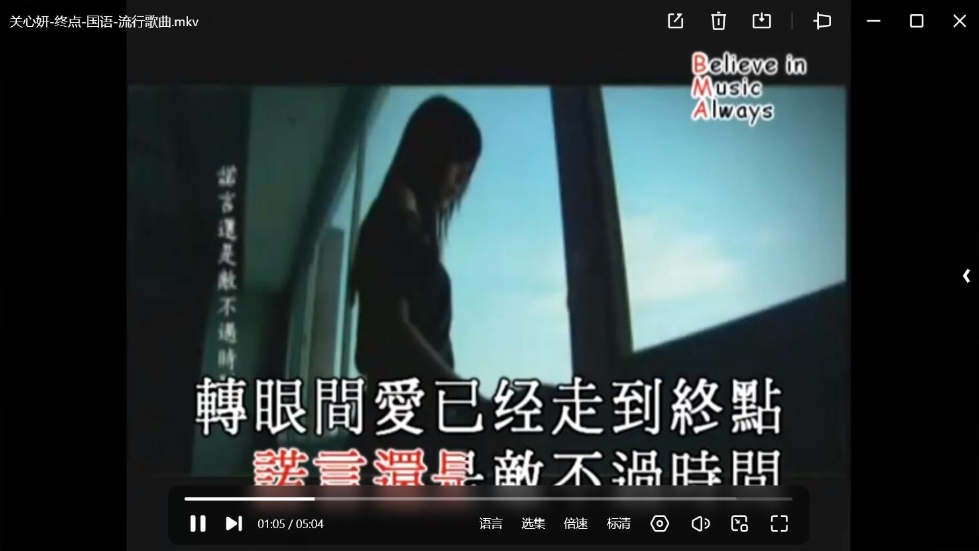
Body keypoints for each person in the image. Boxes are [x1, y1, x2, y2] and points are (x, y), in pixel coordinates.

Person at [348, 95, 491, 481]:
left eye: (468, 172)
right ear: (433, 153)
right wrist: (473, 401)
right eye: (459, 165)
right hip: (404, 431)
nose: (462, 183)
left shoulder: (396, 217)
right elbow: (392, 332)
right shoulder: (396, 217)